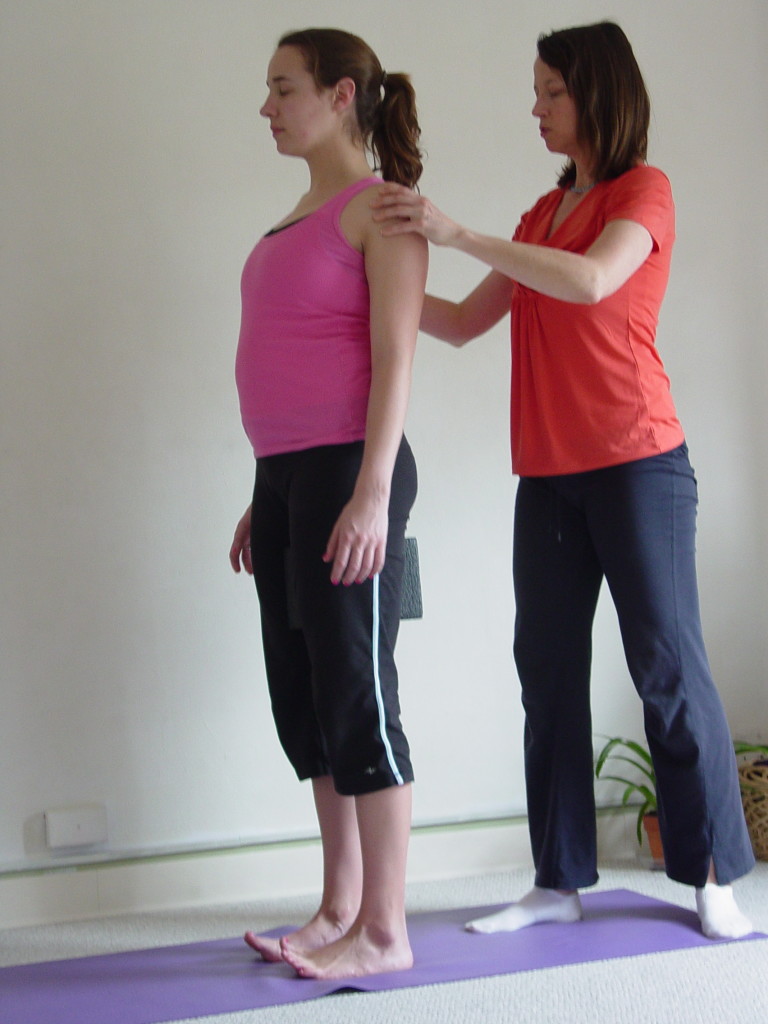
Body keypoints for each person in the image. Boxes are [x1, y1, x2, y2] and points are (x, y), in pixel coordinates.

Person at [371, 20, 754, 940]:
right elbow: (464, 323)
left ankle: (710, 875)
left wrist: (458, 231)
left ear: (597, 93)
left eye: (550, 91)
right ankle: (557, 878)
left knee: (666, 665)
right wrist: (376, 289)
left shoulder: (643, 193)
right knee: (545, 671)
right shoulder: (538, 217)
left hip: (639, 466)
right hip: (547, 477)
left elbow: (591, 282)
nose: (535, 108)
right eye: (536, 91)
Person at [229, 28, 427, 979]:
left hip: (354, 468)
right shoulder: (298, 216)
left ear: (342, 95)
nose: (267, 106)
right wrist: (262, 496)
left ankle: (386, 931)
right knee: (303, 696)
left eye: (283, 87)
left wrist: (372, 493)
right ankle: (339, 905)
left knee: (360, 694)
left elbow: (397, 360)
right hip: (287, 478)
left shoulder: (378, 210)